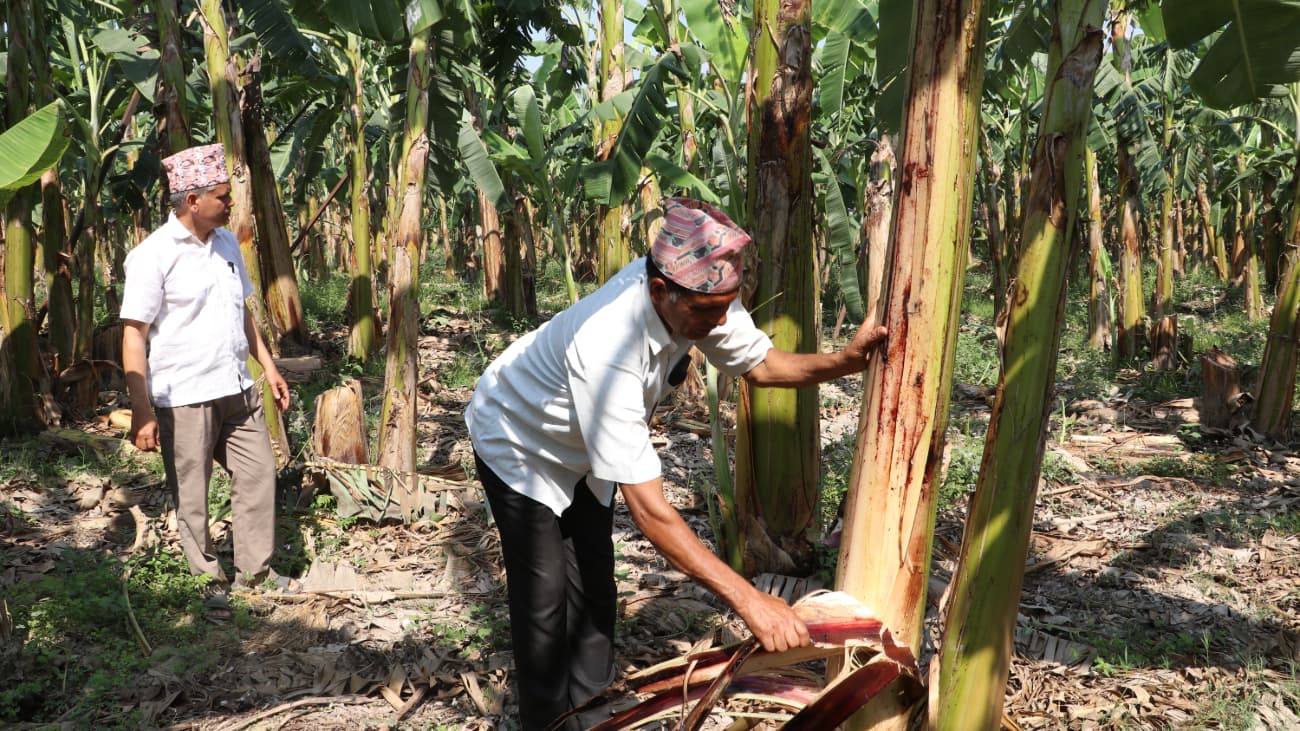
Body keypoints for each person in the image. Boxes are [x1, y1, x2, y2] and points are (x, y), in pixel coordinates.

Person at [465, 197, 888, 729]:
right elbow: (651, 513)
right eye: (707, 313)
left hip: (581, 447)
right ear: (659, 290)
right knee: (545, 600)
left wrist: (845, 363)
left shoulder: (705, 294)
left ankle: (594, 715)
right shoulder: (608, 347)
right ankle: (545, 720)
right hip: (517, 438)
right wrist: (749, 599)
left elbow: (761, 367)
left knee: (596, 588)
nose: (717, 324)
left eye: (726, 307)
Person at [121, 143, 293, 619]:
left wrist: (269, 367)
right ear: (192, 201)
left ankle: (256, 573)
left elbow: (242, 312)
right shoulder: (152, 256)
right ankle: (205, 580)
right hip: (186, 395)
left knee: (259, 475)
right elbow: (134, 335)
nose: (230, 202)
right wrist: (142, 410)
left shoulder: (227, 244)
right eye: (222, 196)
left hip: (237, 387)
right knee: (192, 494)